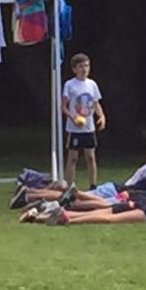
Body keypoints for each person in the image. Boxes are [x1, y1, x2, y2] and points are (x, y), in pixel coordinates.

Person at [61, 53, 106, 189]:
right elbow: (63, 106)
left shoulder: (92, 84)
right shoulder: (70, 84)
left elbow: (96, 103)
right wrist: (73, 117)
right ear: (74, 69)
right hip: (74, 128)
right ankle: (69, 186)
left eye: (86, 66)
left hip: (88, 127)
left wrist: (101, 116)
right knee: (73, 157)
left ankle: (92, 185)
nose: (84, 69)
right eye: (81, 66)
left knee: (91, 157)